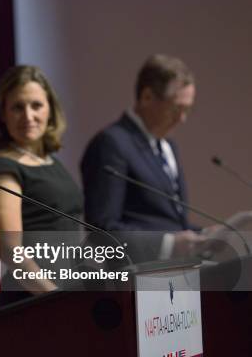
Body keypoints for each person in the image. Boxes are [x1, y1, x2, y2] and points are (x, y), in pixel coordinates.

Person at [80, 54, 205, 259]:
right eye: (176, 108)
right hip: (138, 280)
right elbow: (102, 229)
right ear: (147, 97)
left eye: (188, 110)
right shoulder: (111, 143)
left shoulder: (168, 146)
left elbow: (167, 222)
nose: (182, 119)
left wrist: (205, 236)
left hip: (178, 274)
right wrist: (169, 244)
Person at [0, 65, 84, 306]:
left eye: (36, 105)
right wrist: (54, 297)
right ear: (3, 115)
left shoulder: (52, 162)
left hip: (68, 291)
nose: (28, 116)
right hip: (33, 301)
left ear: (50, 109)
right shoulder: (3, 168)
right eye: (18, 107)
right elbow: (11, 251)